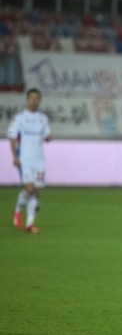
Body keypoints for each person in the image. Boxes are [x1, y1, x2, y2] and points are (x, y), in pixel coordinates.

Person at [7, 88, 52, 234]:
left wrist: (49, 138)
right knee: (30, 189)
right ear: (27, 99)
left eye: (36, 98)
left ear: (40, 100)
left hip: (39, 160)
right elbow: (12, 137)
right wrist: (14, 157)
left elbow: (46, 135)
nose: (34, 100)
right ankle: (18, 211)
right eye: (31, 98)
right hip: (25, 159)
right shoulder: (20, 118)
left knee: (37, 191)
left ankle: (30, 224)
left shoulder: (43, 118)